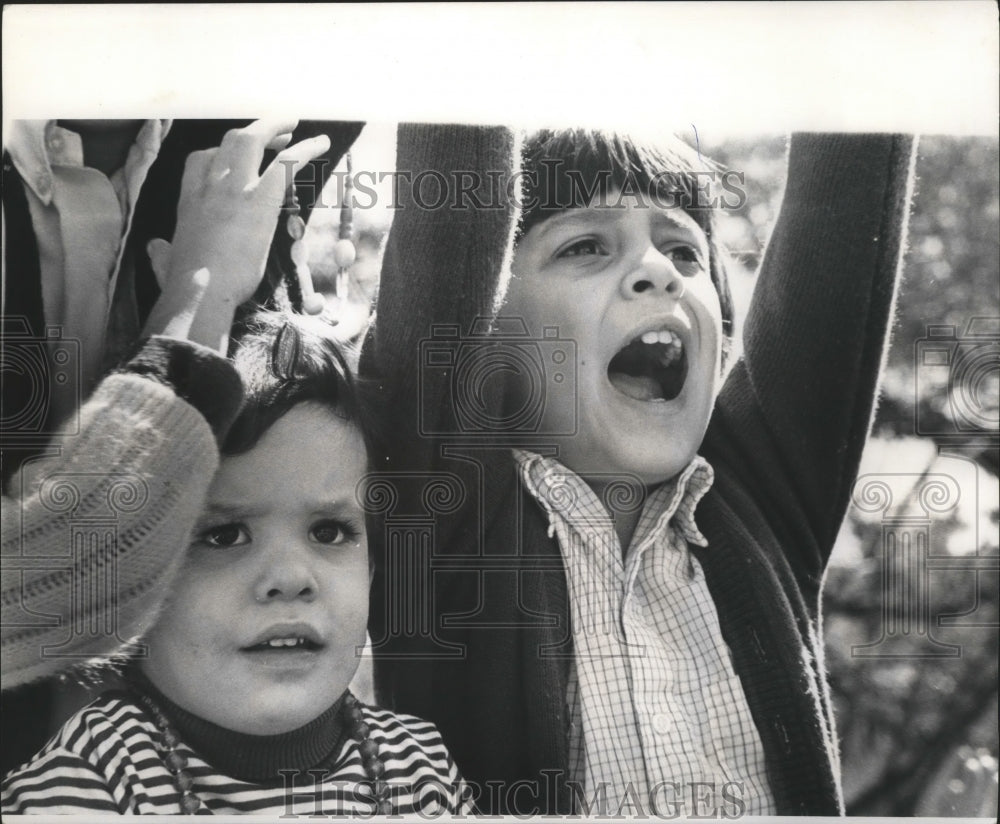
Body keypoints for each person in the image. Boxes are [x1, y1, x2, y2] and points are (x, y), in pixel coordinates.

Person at [364, 126, 916, 815]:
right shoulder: (443, 506)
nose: (659, 269)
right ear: (486, 330)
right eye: (585, 246)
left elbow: (851, 185)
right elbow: (454, 208)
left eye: (684, 249)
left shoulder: (765, 504)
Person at [2, 124, 472, 815]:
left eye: (332, 531)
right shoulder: (91, 781)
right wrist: (205, 289)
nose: (291, 578)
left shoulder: (418, 764)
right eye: (223, 535)